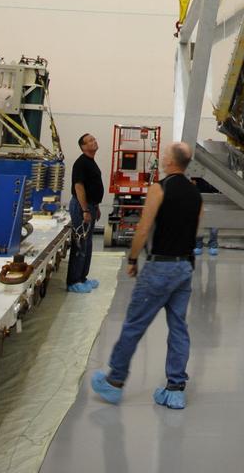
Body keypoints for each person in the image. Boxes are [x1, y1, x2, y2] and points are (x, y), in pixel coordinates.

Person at [91, 141, 203, 410]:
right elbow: (195, 232)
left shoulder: (158, 189)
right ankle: (175, 388)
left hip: (159, 267)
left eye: (165, 154)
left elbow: (143, 228)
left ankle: (115, 381)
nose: (162, 157)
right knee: (178, 327)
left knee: (134, 324)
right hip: (184, 268)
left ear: (170, 161)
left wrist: (132, 259)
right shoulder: (196, 194)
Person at [67, 132, 103, 293]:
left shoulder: (91, 162)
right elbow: (79, 187)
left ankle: (83, 278)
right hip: (82, 207)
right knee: (80, 243)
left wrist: (96, 206)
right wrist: (85, 209)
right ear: (83, 147)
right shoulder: (81, 163)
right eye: (90, 141)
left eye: (94, 139)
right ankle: (74, 281)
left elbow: (91, 187)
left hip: (90, 206)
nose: (94, 142)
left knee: (87, 243)